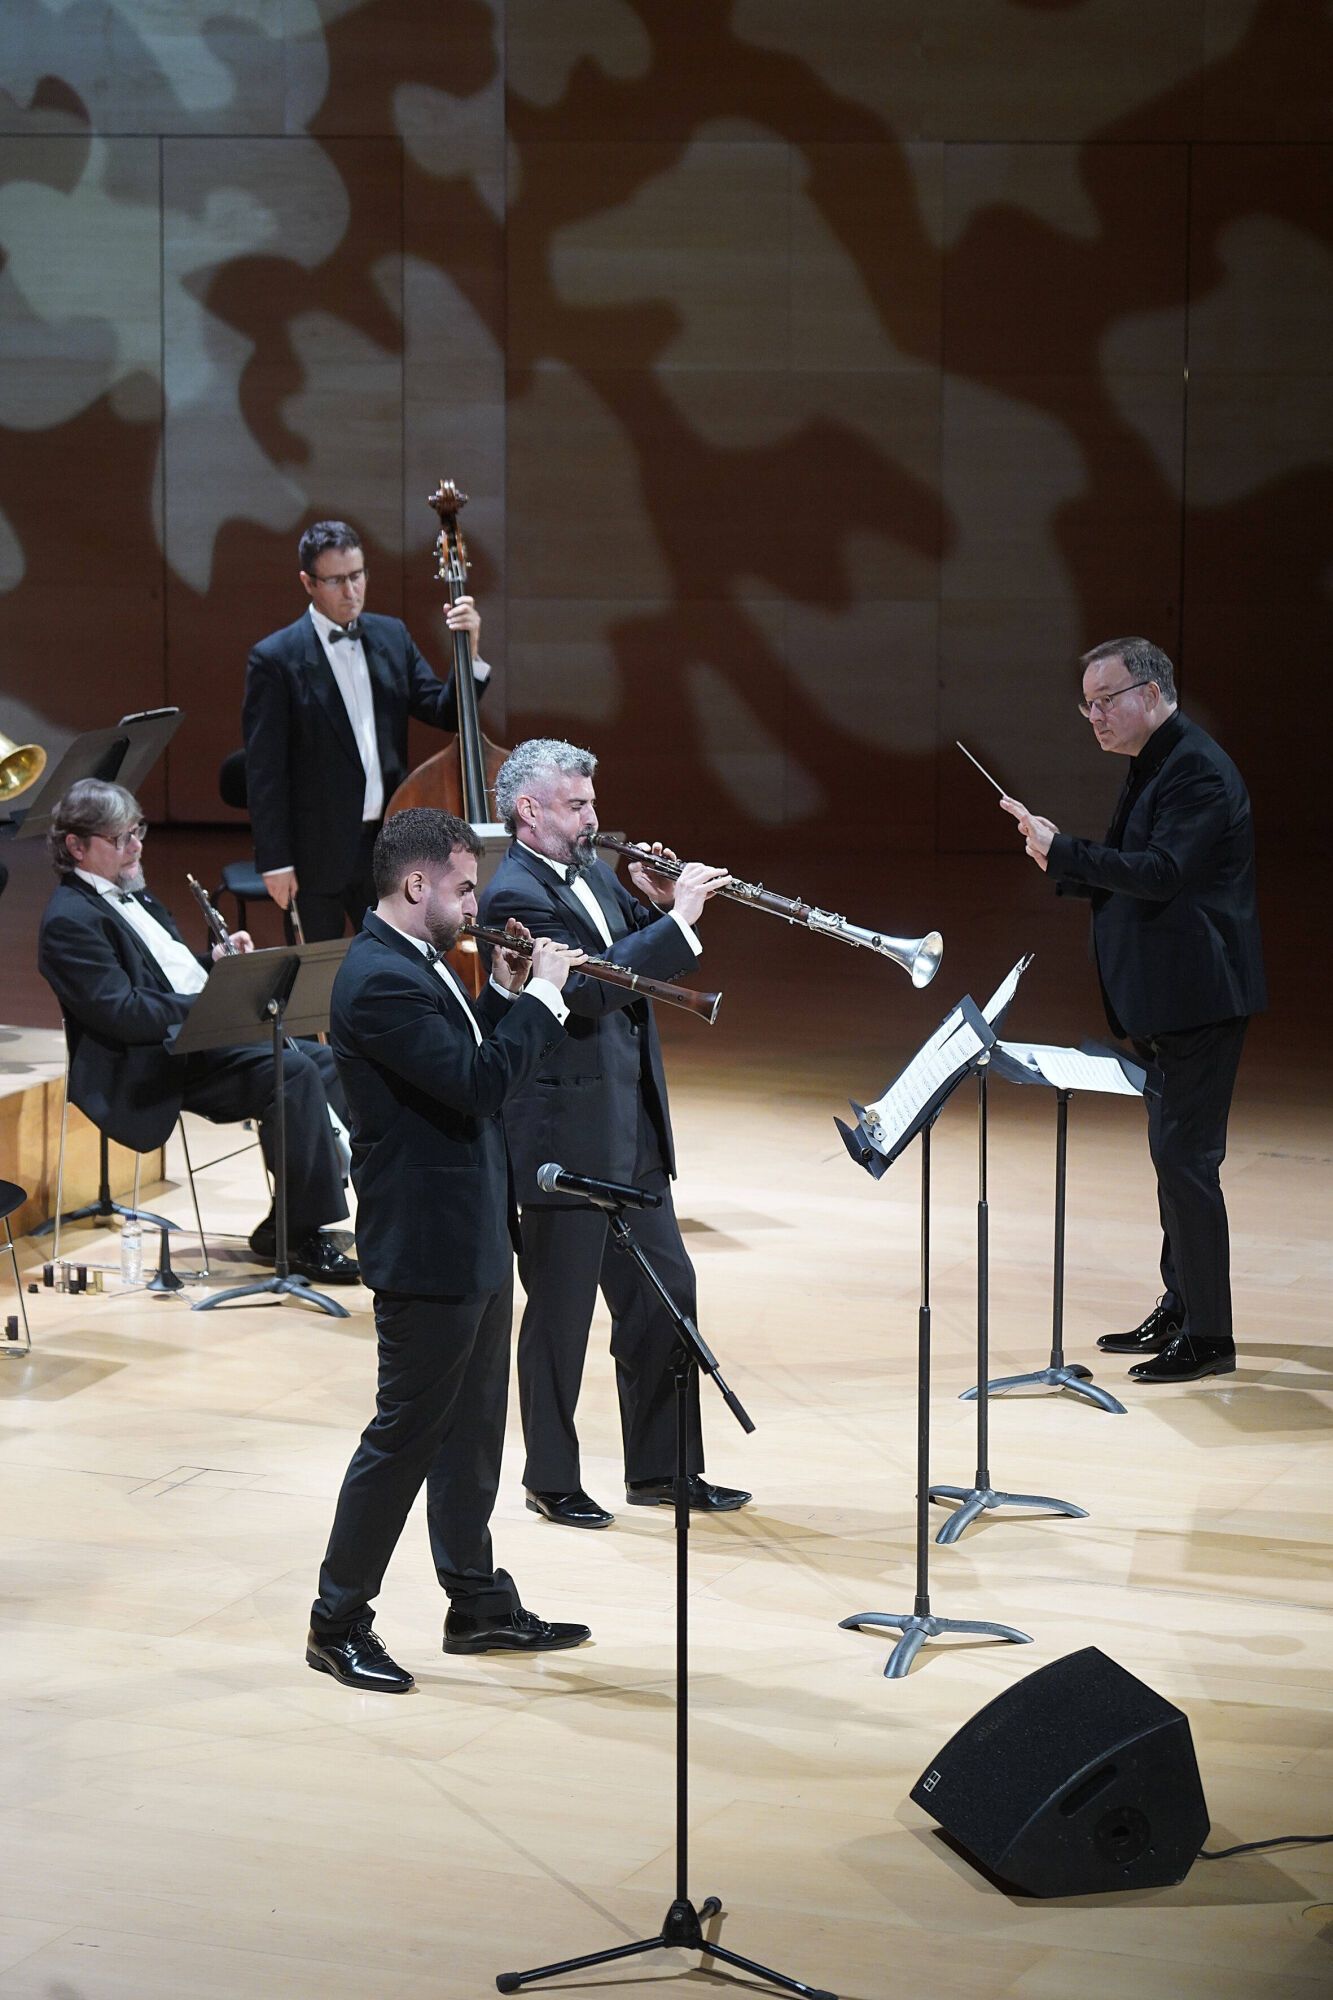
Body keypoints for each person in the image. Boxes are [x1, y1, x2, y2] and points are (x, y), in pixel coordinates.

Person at [307, 807, 592, 1692]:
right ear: (417, 884)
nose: (479, 903)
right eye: (466, 887)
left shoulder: (416, 962)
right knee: (404, 1437)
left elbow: (460, 1050)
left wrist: (503, 995)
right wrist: (543, 998)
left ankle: (475, 1602)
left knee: (472, 1432)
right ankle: (336, 1620)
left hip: (469, 1234)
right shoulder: (376, 979)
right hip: (426, 1244)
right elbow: (475, 1085)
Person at [477, 739, 751, 1529]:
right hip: (563, 1139)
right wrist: (685, 918)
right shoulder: (509, 899)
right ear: (529, 810)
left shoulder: (593, 868)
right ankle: (550, 1477)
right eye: (577, 805)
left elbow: (635, 941)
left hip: (629, 1128)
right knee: (560, 1317)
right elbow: (596, 990)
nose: (595, 818)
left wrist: (660, 898)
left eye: (593, 803)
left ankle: (663, 1470)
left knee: (667, 1298)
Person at [1001, 638, 1265, 1384]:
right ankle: (1181, 1306)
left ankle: (1209, 1337)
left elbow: (1162, 874)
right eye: (1086, 703)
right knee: (1170, 1163)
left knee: (1187, 1164)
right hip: (1166, 999)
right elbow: (1136, 871)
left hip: (1199, 998)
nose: (1094, 716)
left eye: (1105, 699)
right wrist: (1061, 860)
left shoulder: (1196, 770)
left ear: (1150, 693)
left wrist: (1067, 852)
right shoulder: (1156, 759)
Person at [37, 779, 357, 1284]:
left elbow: (169, 973)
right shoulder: (69, 921)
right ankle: (303, 1237)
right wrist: (214, 1003)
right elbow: (122, 1012)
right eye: (121, 838)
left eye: (137, 830)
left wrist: (218, 966)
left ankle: (291, 1221)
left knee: (326, 1062)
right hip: (151, 1064)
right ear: (77, 846)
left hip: (196, 1038)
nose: (137, 845)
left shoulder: (130, 892)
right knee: (291, 1072)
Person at [242, 519, 492, 942]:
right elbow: (265, 772)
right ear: (308, 582)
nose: (351, 591)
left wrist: (470, 653)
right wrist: (275, 861)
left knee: (393, 961)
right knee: (318, 975)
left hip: (388, 846)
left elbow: (444, 711)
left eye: (357, 576)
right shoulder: (275, 659)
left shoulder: (390, 636)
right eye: (336, 580)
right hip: (314, 852)